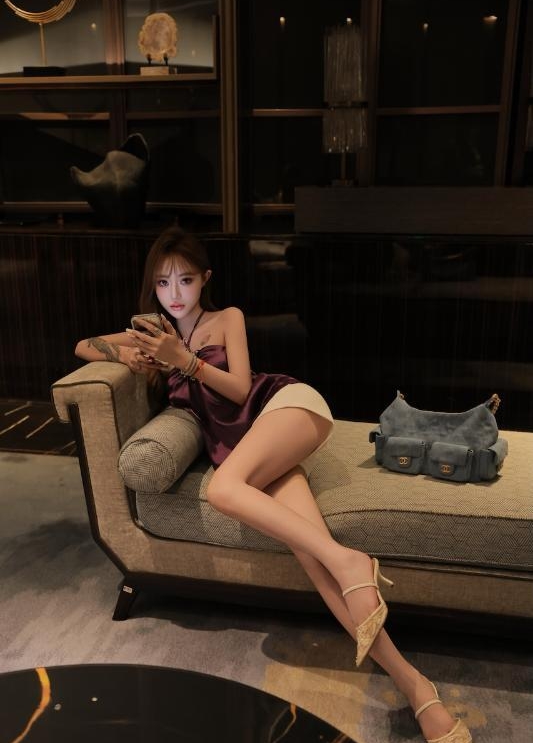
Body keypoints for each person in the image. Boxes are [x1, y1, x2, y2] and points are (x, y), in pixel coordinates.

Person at [75, 227, 471, 743]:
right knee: (314, 559)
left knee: (223, 491)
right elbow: (82, 345)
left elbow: (240, 388)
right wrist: (130, 356)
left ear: (205, 279)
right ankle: (417, 689)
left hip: (284, 408)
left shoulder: (226, 318)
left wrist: (185, 360)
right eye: (163, 282)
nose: (175, 293)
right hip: (250, 448)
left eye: (186, 280)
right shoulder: (153, 333)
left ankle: (351, 560)